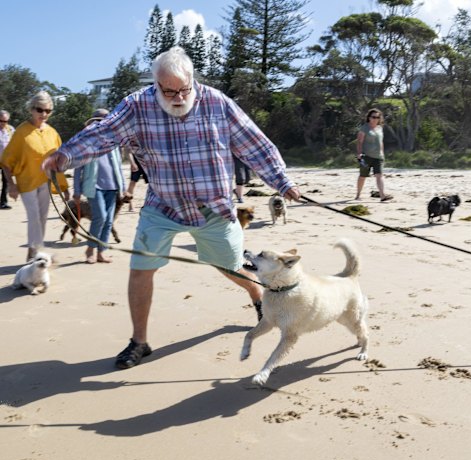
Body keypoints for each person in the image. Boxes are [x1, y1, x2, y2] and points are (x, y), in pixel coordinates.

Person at [42, 46, 301, 370]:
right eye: (169, 91)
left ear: (193, 82)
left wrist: (282, 181)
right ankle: (139, 341)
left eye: (184, 90)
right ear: (156, 86)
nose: (178, 97)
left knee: (230, 264)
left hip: (214, 208)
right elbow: (101, 135)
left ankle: (257, 297)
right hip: (163, 207)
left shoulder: (217, 104)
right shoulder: (137, 106)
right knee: (140, 268)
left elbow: (254, 143)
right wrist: (64, 156)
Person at [1, 92, 69, 261]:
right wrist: (11, 185)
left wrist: (64, 187)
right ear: (31, 109)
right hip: (26, 182)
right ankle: (37, 252)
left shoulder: (53, 133)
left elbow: (59, 161)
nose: (44, 114)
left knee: (42, 218)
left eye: (48, 110)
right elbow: (6, 160)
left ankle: (33, 253)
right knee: (34, 217)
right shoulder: (21, 132)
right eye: (40, 109)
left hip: (46, 182)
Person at [73, 109, 127, 264]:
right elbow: (78, 168)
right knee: (100, 217)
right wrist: (76, 190)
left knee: (109, 221)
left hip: (112, 187)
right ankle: (90, 249)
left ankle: (101, 252)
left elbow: (117, 165)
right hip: (93, 186)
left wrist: (122, 186)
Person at [355, 108, 392, 202]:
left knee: (379, 175)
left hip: (378, 157)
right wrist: (359, 153)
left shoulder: (380, 128)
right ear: (369, 118)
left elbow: (381, 142)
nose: (375, 119)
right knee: (363, 176)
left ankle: (382, 195)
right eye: (373, 117)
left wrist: (382, 153)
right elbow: (359, 141)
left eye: (377, 117)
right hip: (366, 156)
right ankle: (358, 195)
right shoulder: (364, 128)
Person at [0, 110, 15, 210]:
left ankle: (3, 202)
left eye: (5, 121)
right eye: (0, 120)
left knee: (6, 182)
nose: (2, 123)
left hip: (6, 161)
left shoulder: (11, 130)